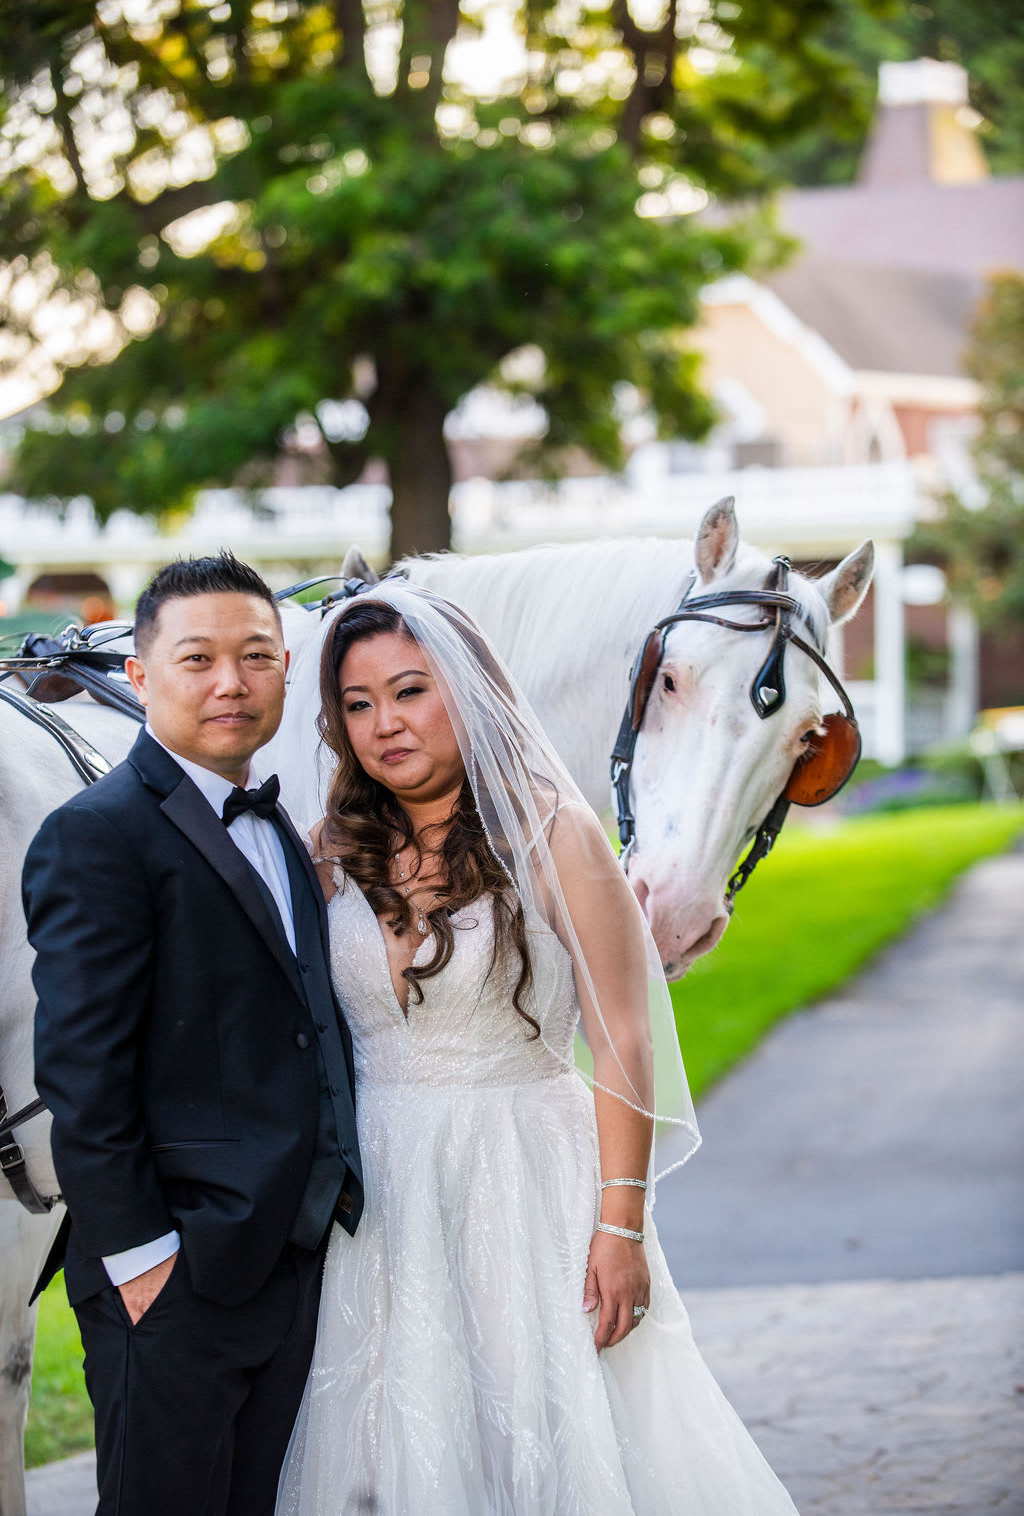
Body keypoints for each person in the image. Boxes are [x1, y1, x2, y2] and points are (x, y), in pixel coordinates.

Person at [268, 581, 799, 1515]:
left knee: (545, 1429)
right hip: (380, 1198)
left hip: (522, 1176)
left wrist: (620, 1225)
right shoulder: (328, 851)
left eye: (410, 691)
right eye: (357, 704)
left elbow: (623, 1037)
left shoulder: (554, 836)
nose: (385, 724)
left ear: (469, 692)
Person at [22, 554, 363, 1516]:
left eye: (257, 656)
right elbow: (81, 1077)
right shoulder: (95, 835)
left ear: (286, 671)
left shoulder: (285, 826)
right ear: (138, 676)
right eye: (198, 657)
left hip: (288, 1256)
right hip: (172, 1278)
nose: (231, 682)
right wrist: (142, 1263)